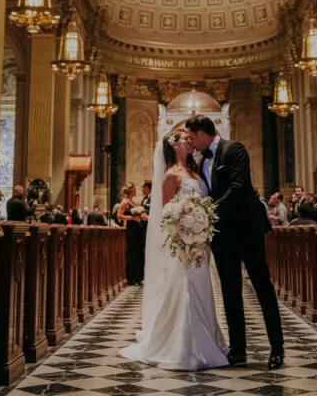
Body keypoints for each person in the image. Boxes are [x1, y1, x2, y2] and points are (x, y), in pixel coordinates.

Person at [120, 130, 228, 370]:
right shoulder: (170, 175)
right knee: (186, 288)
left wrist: (202, 224)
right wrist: (186, 233)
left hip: (201, 241)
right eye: (183, 138)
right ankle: (185, 348)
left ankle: (208, 343)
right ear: (174, 145)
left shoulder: (196, 171)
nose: (189, 140)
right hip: (185, 243)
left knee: (203, 288)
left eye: (190, 138)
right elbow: (167, 213)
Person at [186, 115, 284, 370]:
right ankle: (238, 349)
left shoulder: (234, 149)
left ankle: (277, 349)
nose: (191, 142)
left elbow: (240, 186)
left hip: (246, 231)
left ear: (202, 134)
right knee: (230, 292)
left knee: (262, 288)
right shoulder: (200, 159)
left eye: (192, 137)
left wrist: (209, 211)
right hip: (222, 235)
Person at [117, 182, 147, 285]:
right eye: (134, 189)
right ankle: (131, 278)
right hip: (131, 230)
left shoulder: (133, 202)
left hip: (138, 230)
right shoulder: (125, 202)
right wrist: (132, 218)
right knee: (132, 254)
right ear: (130, 191)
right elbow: (119, 216)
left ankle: (138, 277)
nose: (136, 191)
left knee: (139, 254)